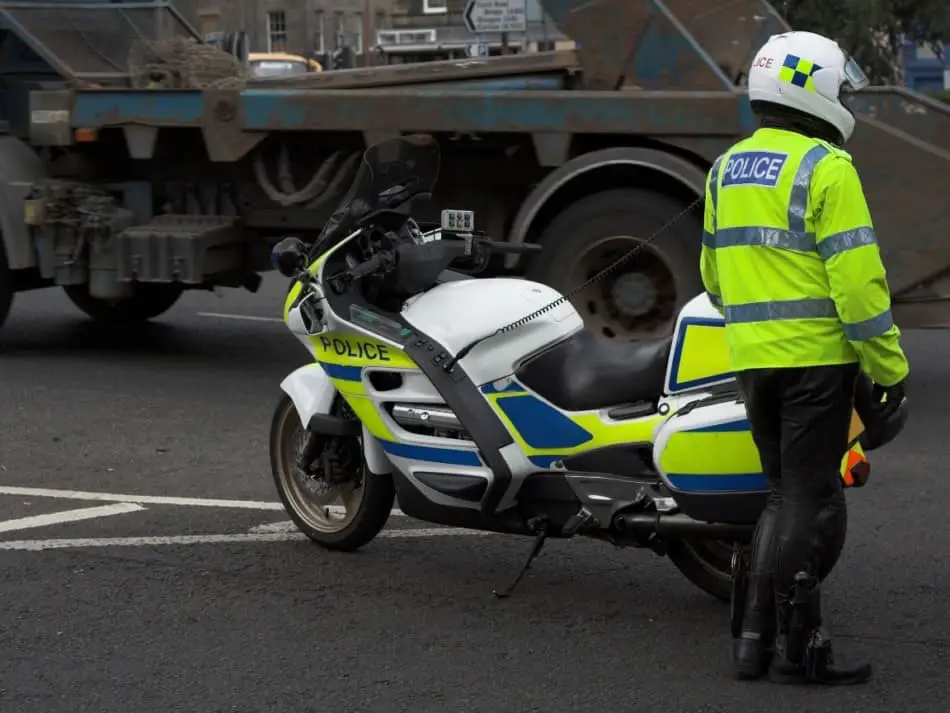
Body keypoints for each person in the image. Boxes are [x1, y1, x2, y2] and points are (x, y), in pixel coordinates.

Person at [699, 31, 910, 685]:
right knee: (810, 500)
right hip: (817, 361)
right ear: (816, 90)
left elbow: (712, 275)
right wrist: (889, 367)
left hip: (753, 360)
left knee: (782, 494)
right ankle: (798, 650)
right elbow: (859, 287)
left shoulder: (725, 168)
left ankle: (752, 643)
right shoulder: (827, 167)